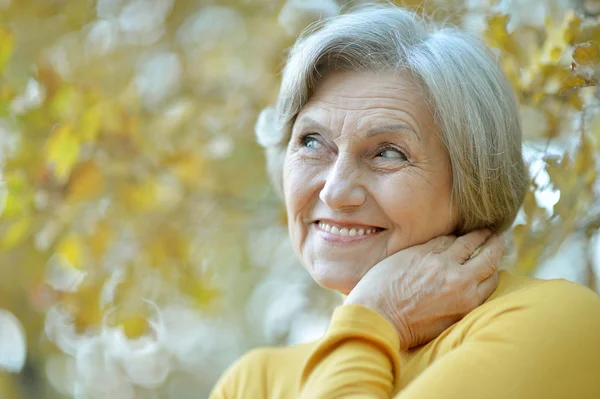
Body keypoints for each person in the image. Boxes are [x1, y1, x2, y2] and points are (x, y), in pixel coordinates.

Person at [210, 4, 600, 398]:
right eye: (312, 142)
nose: (335, 192)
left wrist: (377, 317)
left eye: (388, 153)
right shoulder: (251, 382)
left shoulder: (554, 319)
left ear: (473, 178)